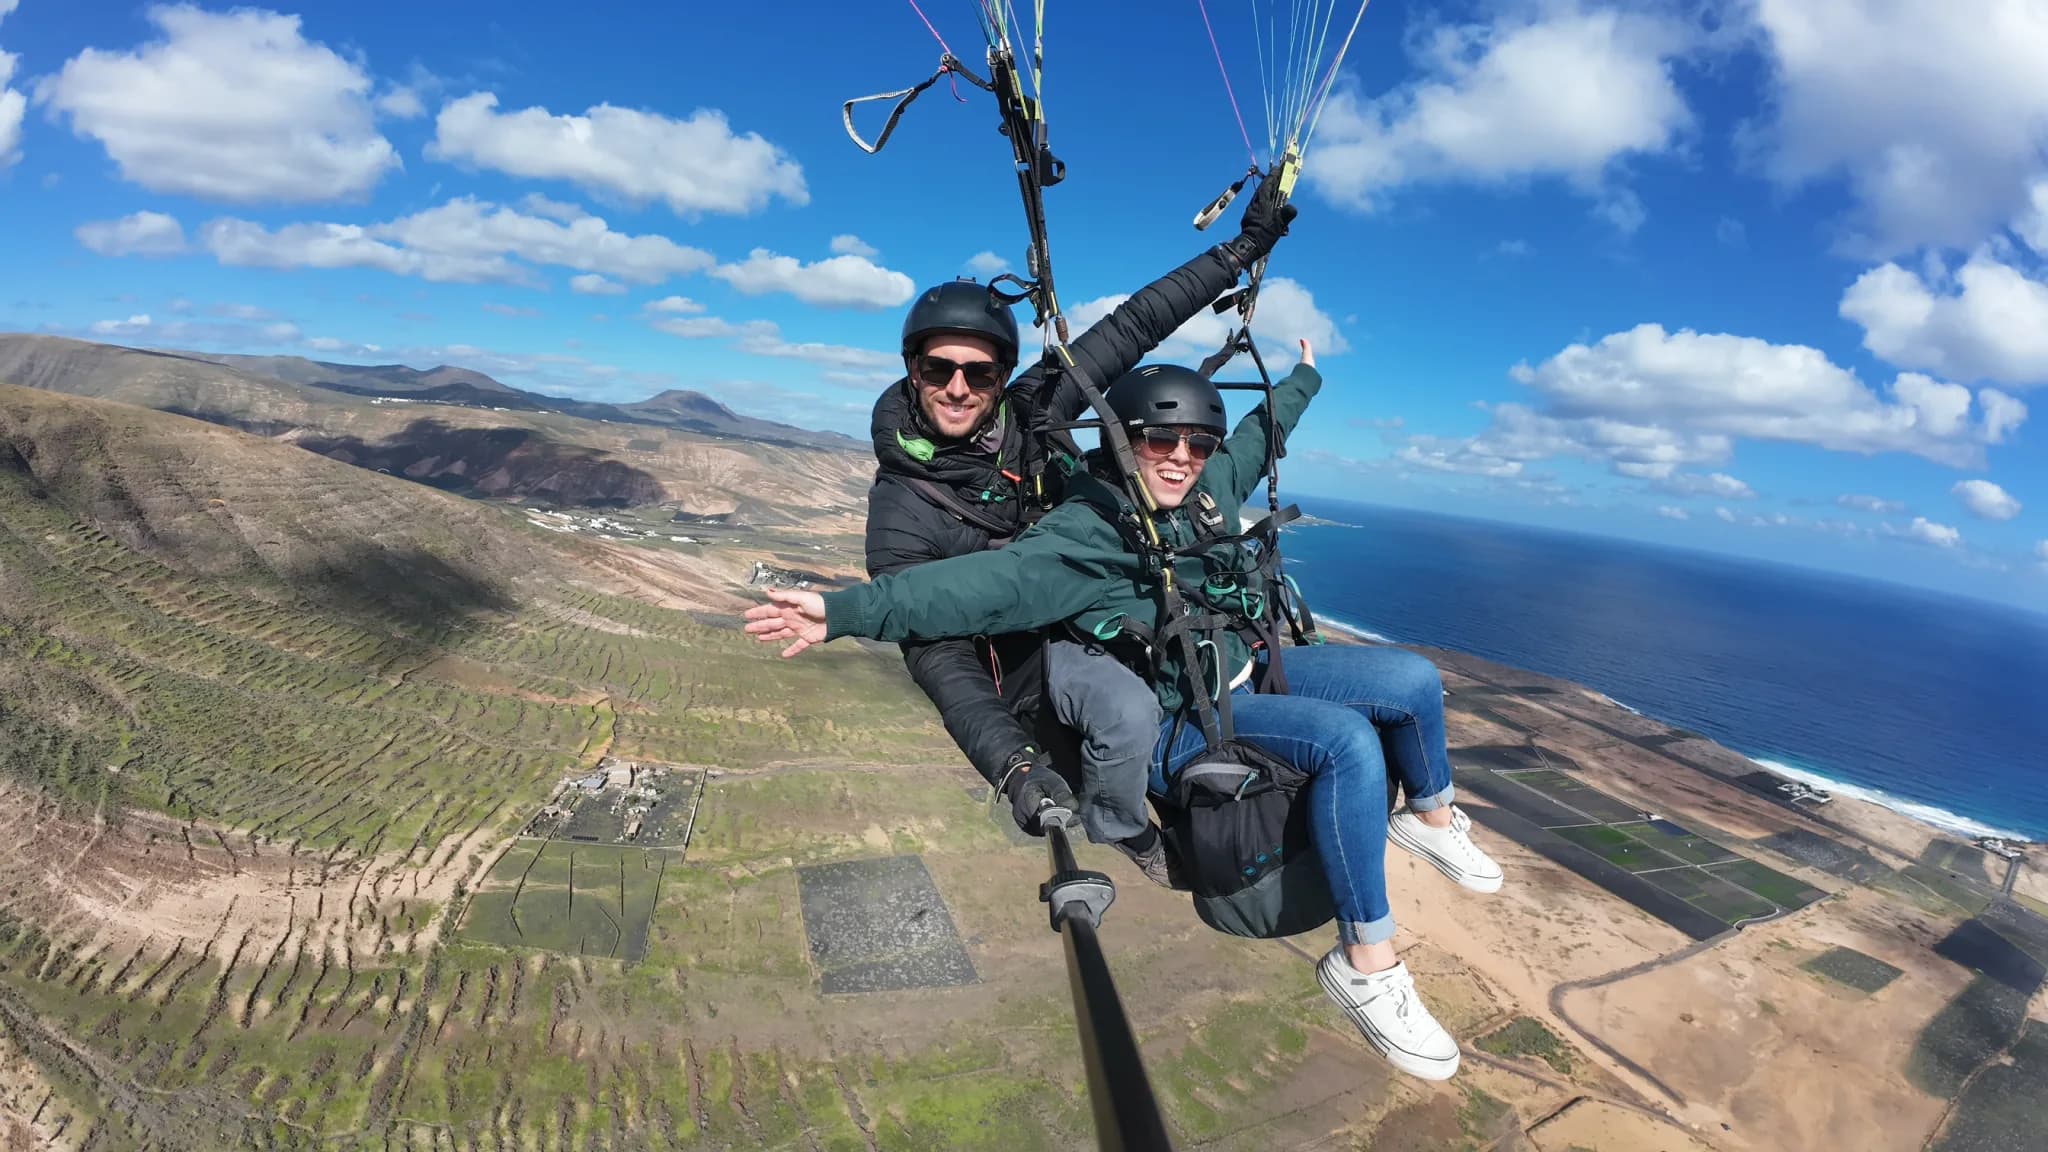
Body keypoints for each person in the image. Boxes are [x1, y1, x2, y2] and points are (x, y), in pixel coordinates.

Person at [743, 340, 1505, 1081]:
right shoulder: (1085, 536)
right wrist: (842, 612)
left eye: (1196, 443)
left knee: (1412, 681)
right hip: (1184, 720)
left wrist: (1304, 379)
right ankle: (1367, 964)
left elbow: (1257, 438)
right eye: (1159, 441)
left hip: (1245, 673)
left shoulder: (1205, 491)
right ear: (1125, 442)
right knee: (1347, 744)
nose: (1181, 457)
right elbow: (968, 590)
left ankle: (1432, 819)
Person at [864, 171, 1297, 887]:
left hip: (1109, 611)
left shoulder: (1038, 409)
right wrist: (1012, 763)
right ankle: (1134, 828)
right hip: (1033, 670)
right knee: (1124, 721)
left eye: (980, 373)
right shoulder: (901, 510)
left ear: (1003, 376)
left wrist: (1240, 251)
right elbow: (938, 655)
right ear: (913, 370)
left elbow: (1135, 325)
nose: (958, 388)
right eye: (938, 368)